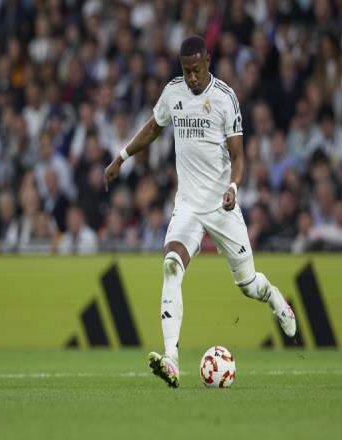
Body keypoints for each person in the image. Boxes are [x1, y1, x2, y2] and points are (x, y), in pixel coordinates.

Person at [103, 36, 296, 388]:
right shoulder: (173, 92)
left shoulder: (225, 98)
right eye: (185, 70)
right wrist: (122, 156)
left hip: (222, 206)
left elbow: (238, 156)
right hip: (188, 206)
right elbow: (154, 126)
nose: (191, 77)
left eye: (196, 69)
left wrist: (233, 187)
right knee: (171, 266)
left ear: (208, 61)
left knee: (248, 285)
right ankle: (171, 360)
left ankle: (275, 299)